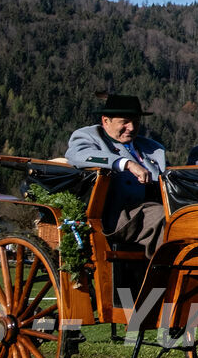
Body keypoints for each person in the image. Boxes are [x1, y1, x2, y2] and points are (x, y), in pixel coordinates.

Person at [65, 94, 167, 254]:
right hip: (118, 216)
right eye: (124, 122)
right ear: (106, 121)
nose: (132, 128)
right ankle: (173, 273)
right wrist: (125, 163)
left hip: (150, 209)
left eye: (136, 122)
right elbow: (76, 155)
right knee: (163, 218)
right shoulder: (90, 136)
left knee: (184, 217)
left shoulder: (151, 147)